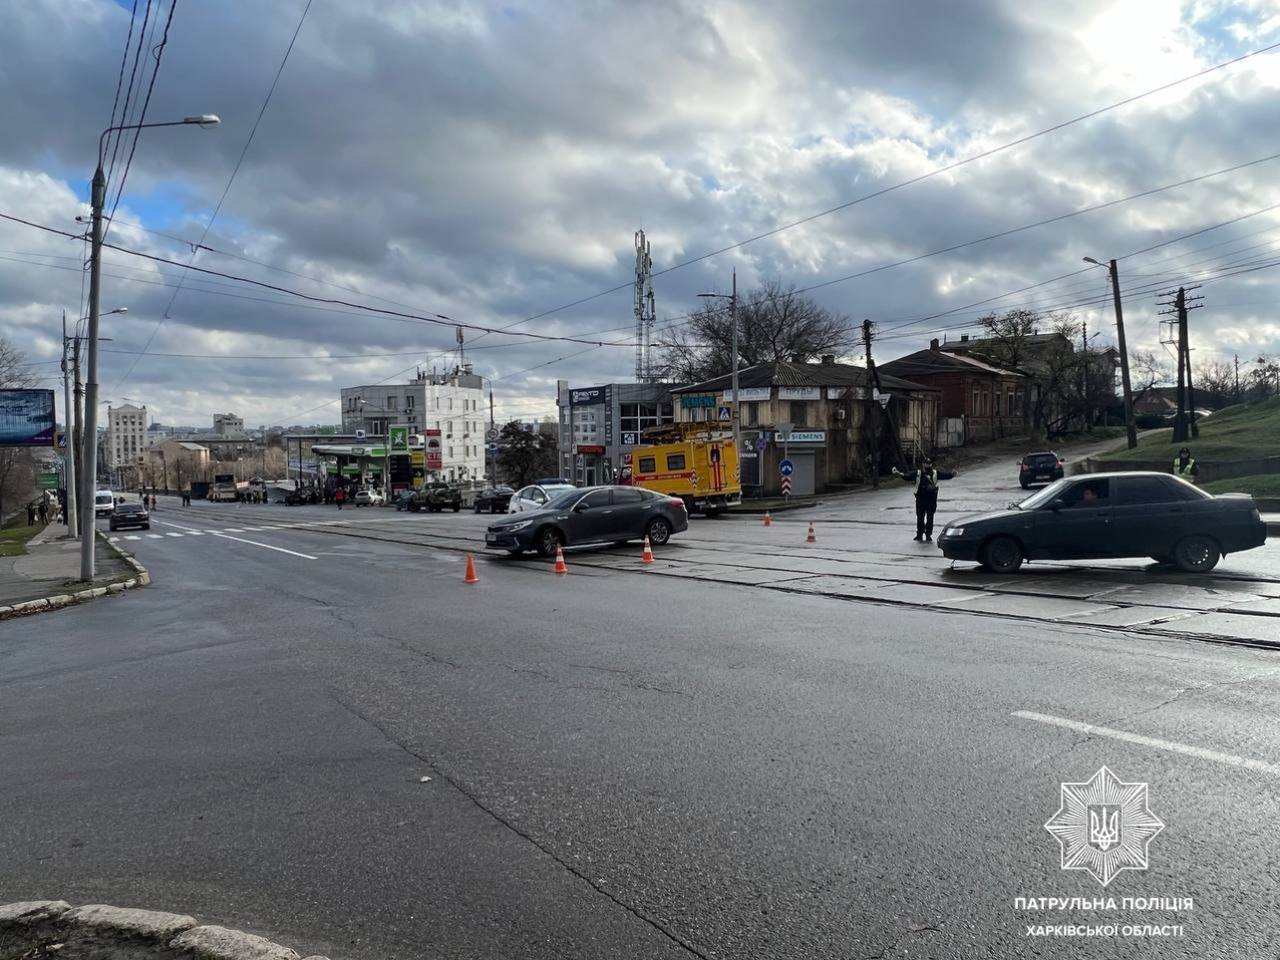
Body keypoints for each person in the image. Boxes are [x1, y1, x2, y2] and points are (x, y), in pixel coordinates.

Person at [892, 457, 957, 542]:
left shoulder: (935, 473)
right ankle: (919, 534)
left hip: (931, 499)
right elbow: (908, 476)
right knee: (920, 518)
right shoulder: (918, 473)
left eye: (929, 464)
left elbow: (945, 476)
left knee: (930, 518)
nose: (928, 465)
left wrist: (952, 474)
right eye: (926, 463)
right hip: (920, 499)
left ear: (931, 464)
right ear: (923, 464)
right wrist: (898, 473)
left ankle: (928, 535)